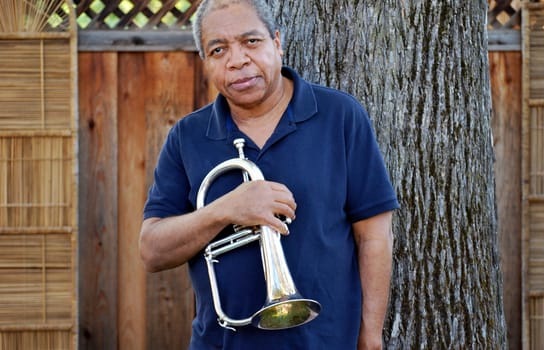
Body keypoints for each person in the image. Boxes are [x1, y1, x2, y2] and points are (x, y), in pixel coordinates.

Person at [139, 0, 399, 349]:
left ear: (276, 42)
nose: (238, 60)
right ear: (207, 63)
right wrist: (226, 209)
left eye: (251, 42)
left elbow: (374, 237)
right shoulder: (187, 137)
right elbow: (152, 250)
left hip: (326, 341)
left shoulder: (340, 116)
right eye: (219, 49)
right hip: (222, 343)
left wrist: (370, 337)